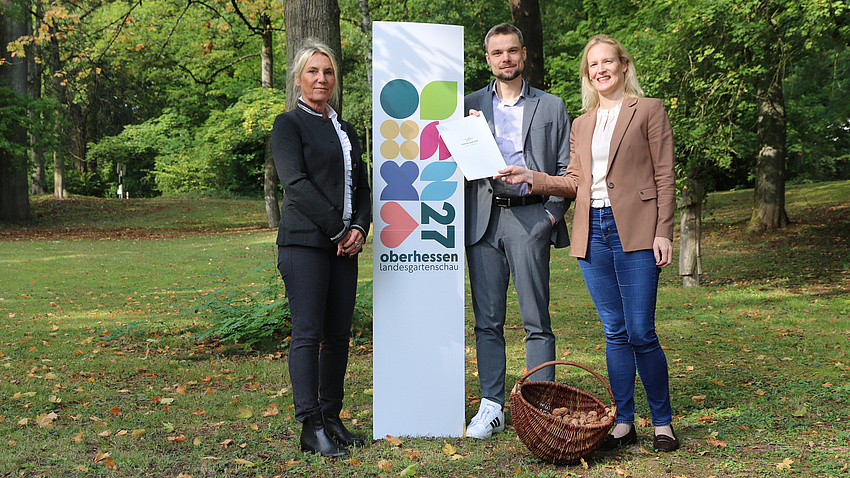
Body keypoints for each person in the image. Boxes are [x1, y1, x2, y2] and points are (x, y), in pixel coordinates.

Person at [498, 34, 679, 452]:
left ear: (623, 66)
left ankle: (664, 421)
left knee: (641, 331)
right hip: (592, 230)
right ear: (587, 74)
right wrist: (532, 177)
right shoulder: (582, 123)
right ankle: (624, 421)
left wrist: (663, 231)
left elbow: (665, 176)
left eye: (607, 62)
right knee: (614, 331)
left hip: (635, 229)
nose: (600, 70)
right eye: (593, 65)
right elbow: (576, 182)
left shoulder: (649, 110)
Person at [464, 23, 572, 439]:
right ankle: (491, 406)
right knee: (487, 320)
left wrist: (550, 217)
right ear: (487, 58)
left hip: (530, 219)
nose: (505, 59)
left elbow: (567, 170)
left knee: (536, 320)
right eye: (497, 53)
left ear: (523, 55)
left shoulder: (551, 105)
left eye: (512, 51)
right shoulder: (470, 103)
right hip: (483, 220)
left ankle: (540, 405)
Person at [270, 40, 371, 457]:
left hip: (345, 248)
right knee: (309, 335)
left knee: (338, 336)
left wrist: (360, 228)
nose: (321, 79)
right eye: (313, 71)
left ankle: (331, 417)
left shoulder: (345, 129)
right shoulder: (288, 124)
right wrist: (338, 229)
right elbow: (295, 185)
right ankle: (310, 426)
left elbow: (362, 186)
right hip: (306, 244)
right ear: (299, 78)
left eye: (327, 72)